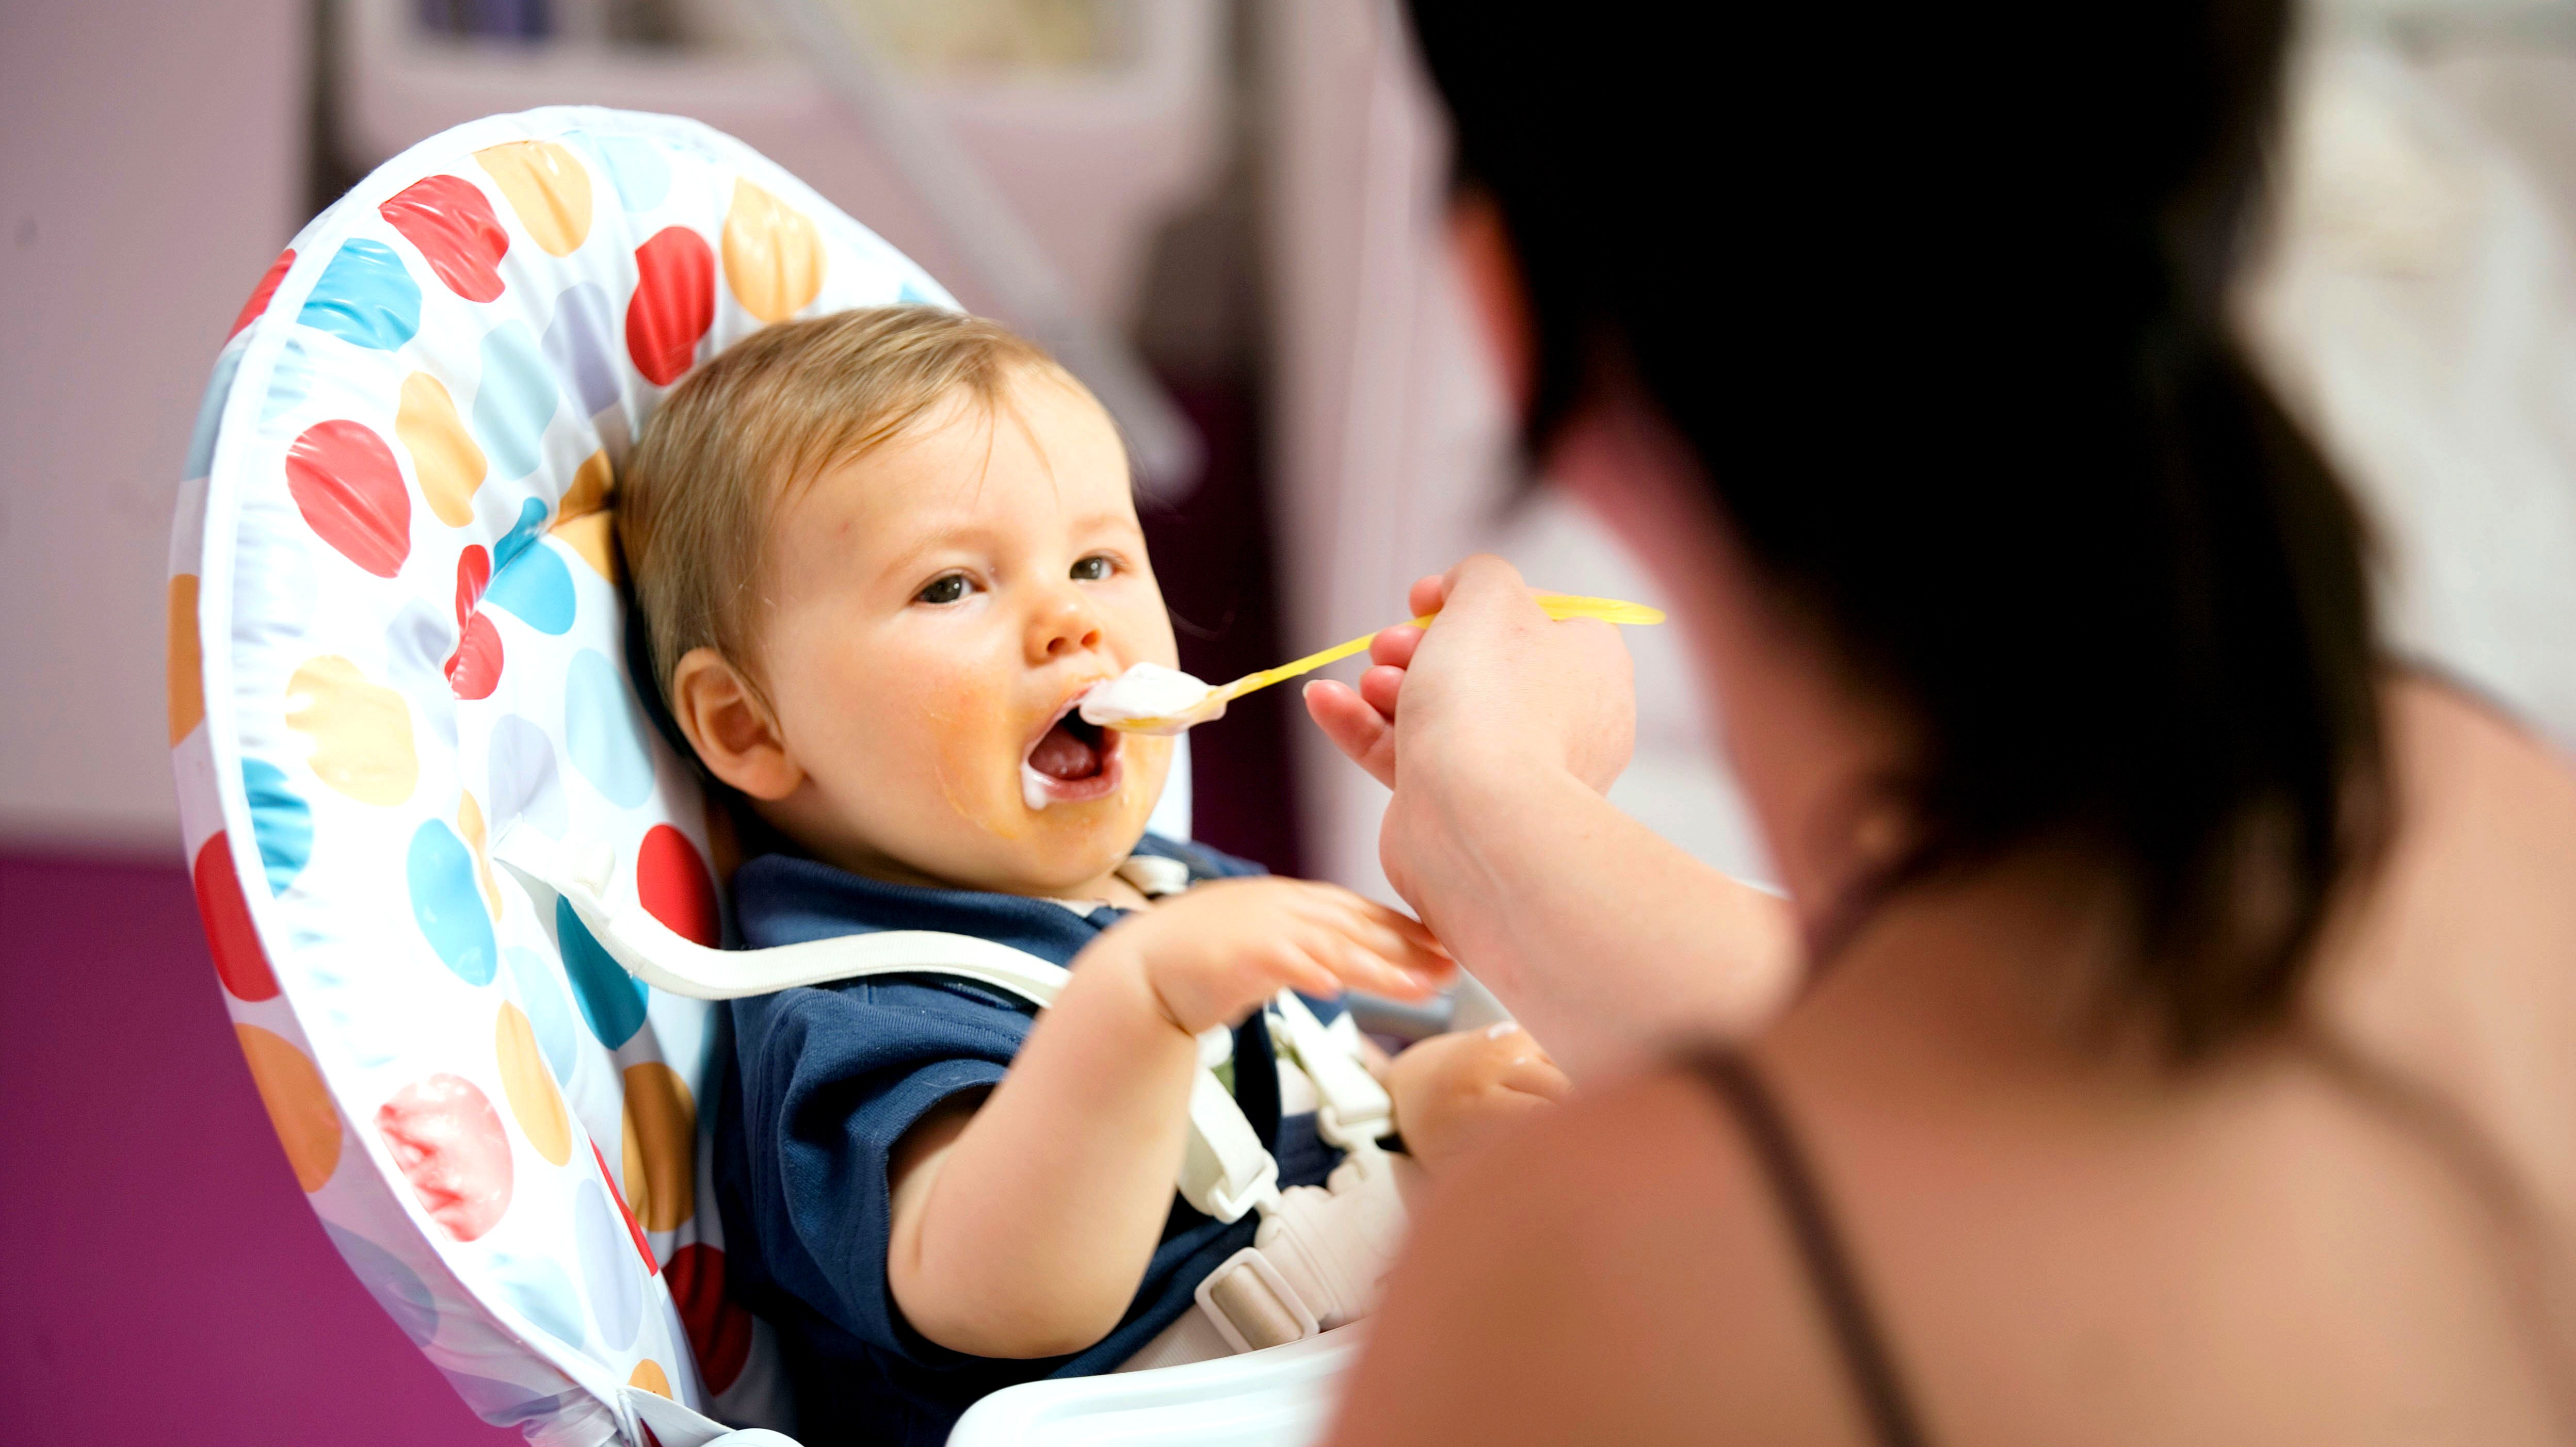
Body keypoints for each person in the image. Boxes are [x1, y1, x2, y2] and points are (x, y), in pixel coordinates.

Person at [1299, 2, 2576, 1441]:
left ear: (1506, 303)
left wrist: (1496, 830)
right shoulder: (2506, 814)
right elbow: (2021, 1092)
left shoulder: (1566, 1296)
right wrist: (1499, 828)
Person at [614, 308, 1569, 1444]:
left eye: (1097, 563)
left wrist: (1407, 1100)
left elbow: (1301, 1103)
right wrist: (1140, 1003)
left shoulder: (1176, 892)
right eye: (951, 586)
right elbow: (1008, 1294)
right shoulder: (851, 1007)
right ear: (749, 725)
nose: (1071, 618)